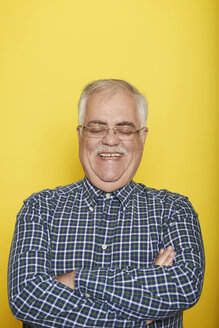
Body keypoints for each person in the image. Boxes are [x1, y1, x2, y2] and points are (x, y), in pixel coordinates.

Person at [8, 79, 205, 328]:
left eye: (124, 129)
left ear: (142, 136)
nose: (111, 140)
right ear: (80, 134)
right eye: (96, 128)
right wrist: (142, 308)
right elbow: (26, 297)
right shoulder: (40, 208)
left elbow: (184, 285)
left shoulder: (174, 210)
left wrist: (77, 280)